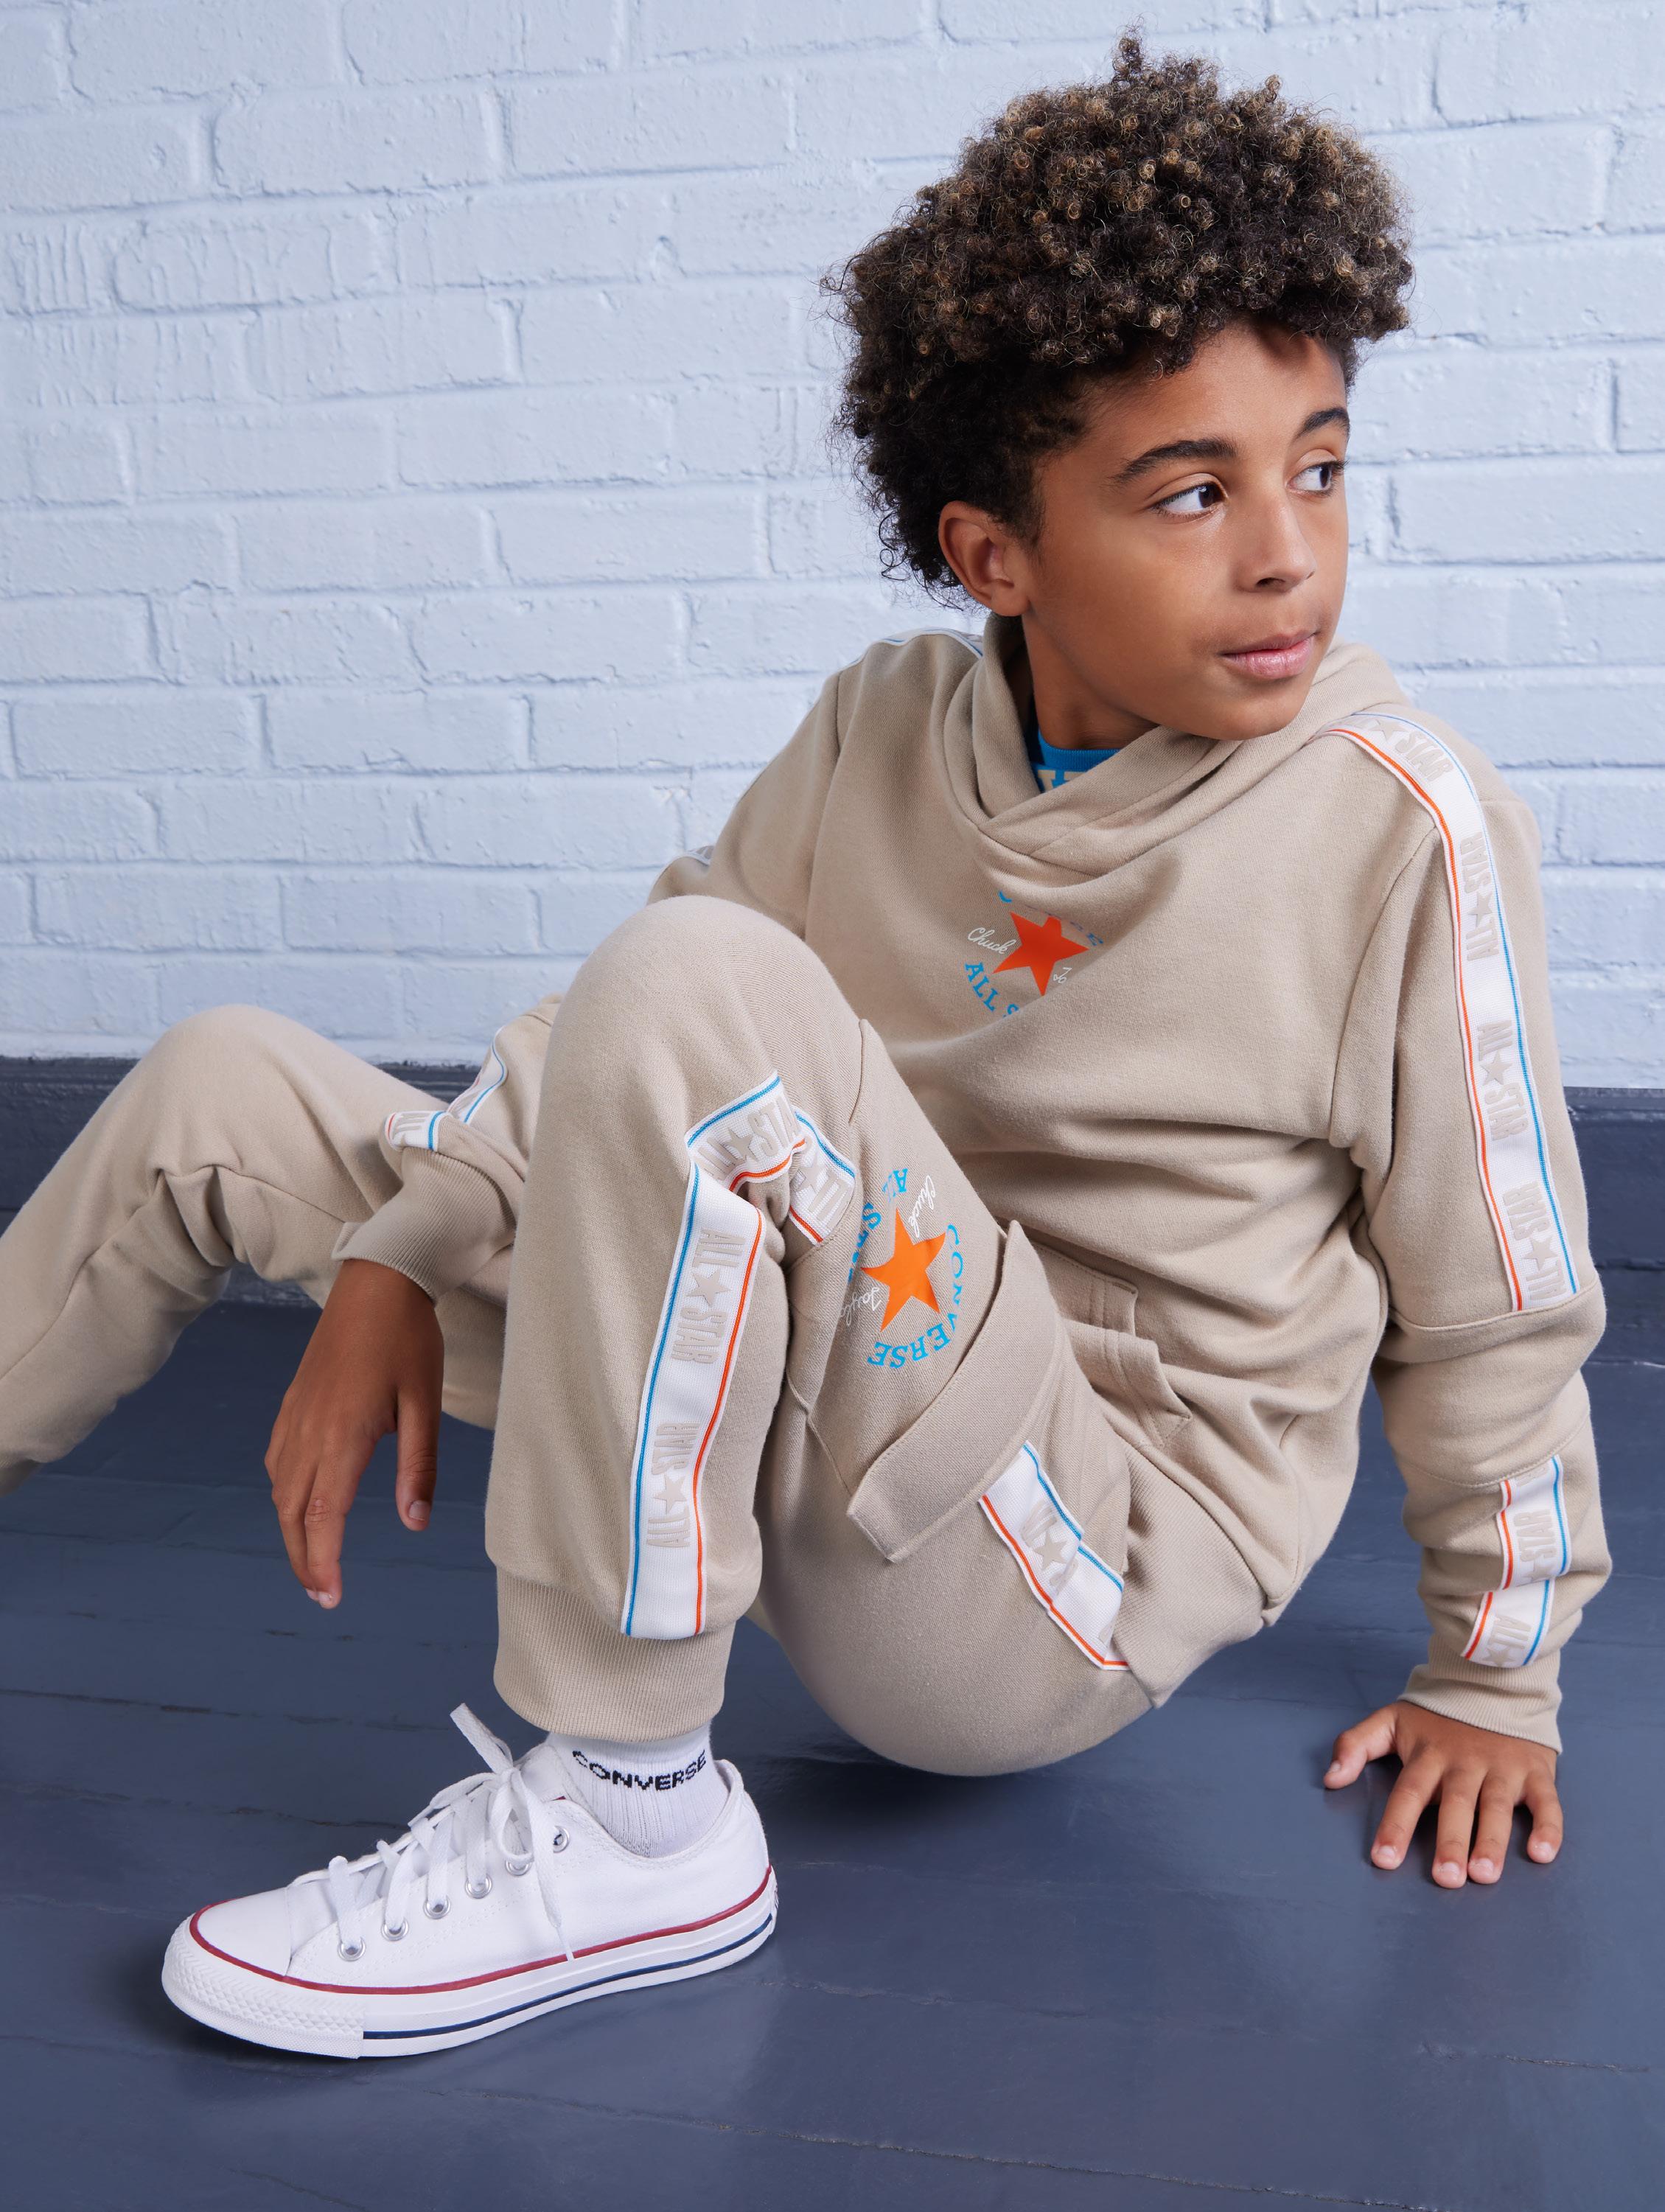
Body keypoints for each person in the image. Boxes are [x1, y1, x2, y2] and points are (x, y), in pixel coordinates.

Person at [0, 37, 1608, 2060]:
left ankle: (635, 1818)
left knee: (700, 978)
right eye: (1194, 492)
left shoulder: (1399, 821)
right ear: (995, 557)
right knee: (224, 1084)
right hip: (835, 1391)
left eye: (1321, 464)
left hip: (1065, 1565)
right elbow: (623, 1042)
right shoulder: (880, 729)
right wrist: (405, 1243)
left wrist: (1498, 1673)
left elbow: (1498, 1295)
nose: (1286, 548)